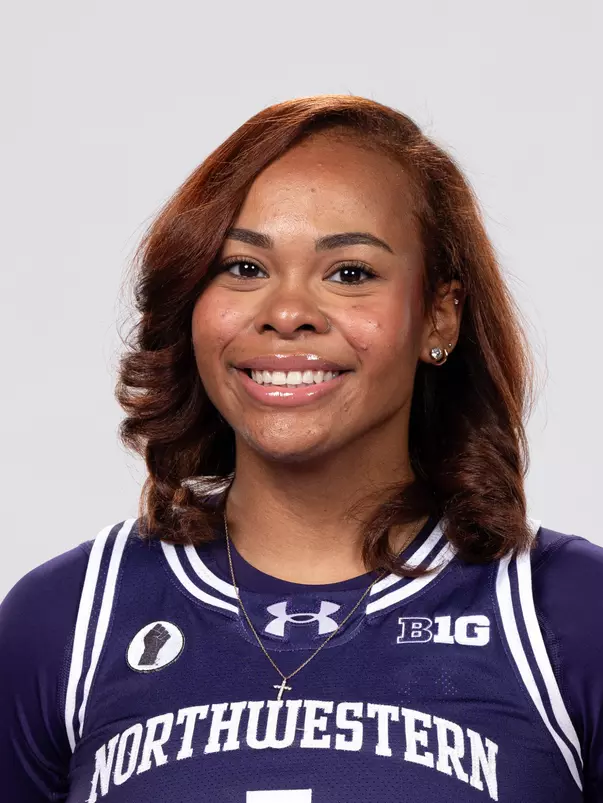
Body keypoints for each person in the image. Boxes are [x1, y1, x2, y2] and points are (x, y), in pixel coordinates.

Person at [0, 94, 601, 803]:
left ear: (438, 315)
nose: (286, 314)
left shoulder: (565, 612)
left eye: (349, 272)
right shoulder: (66, 619)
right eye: (243, 268)